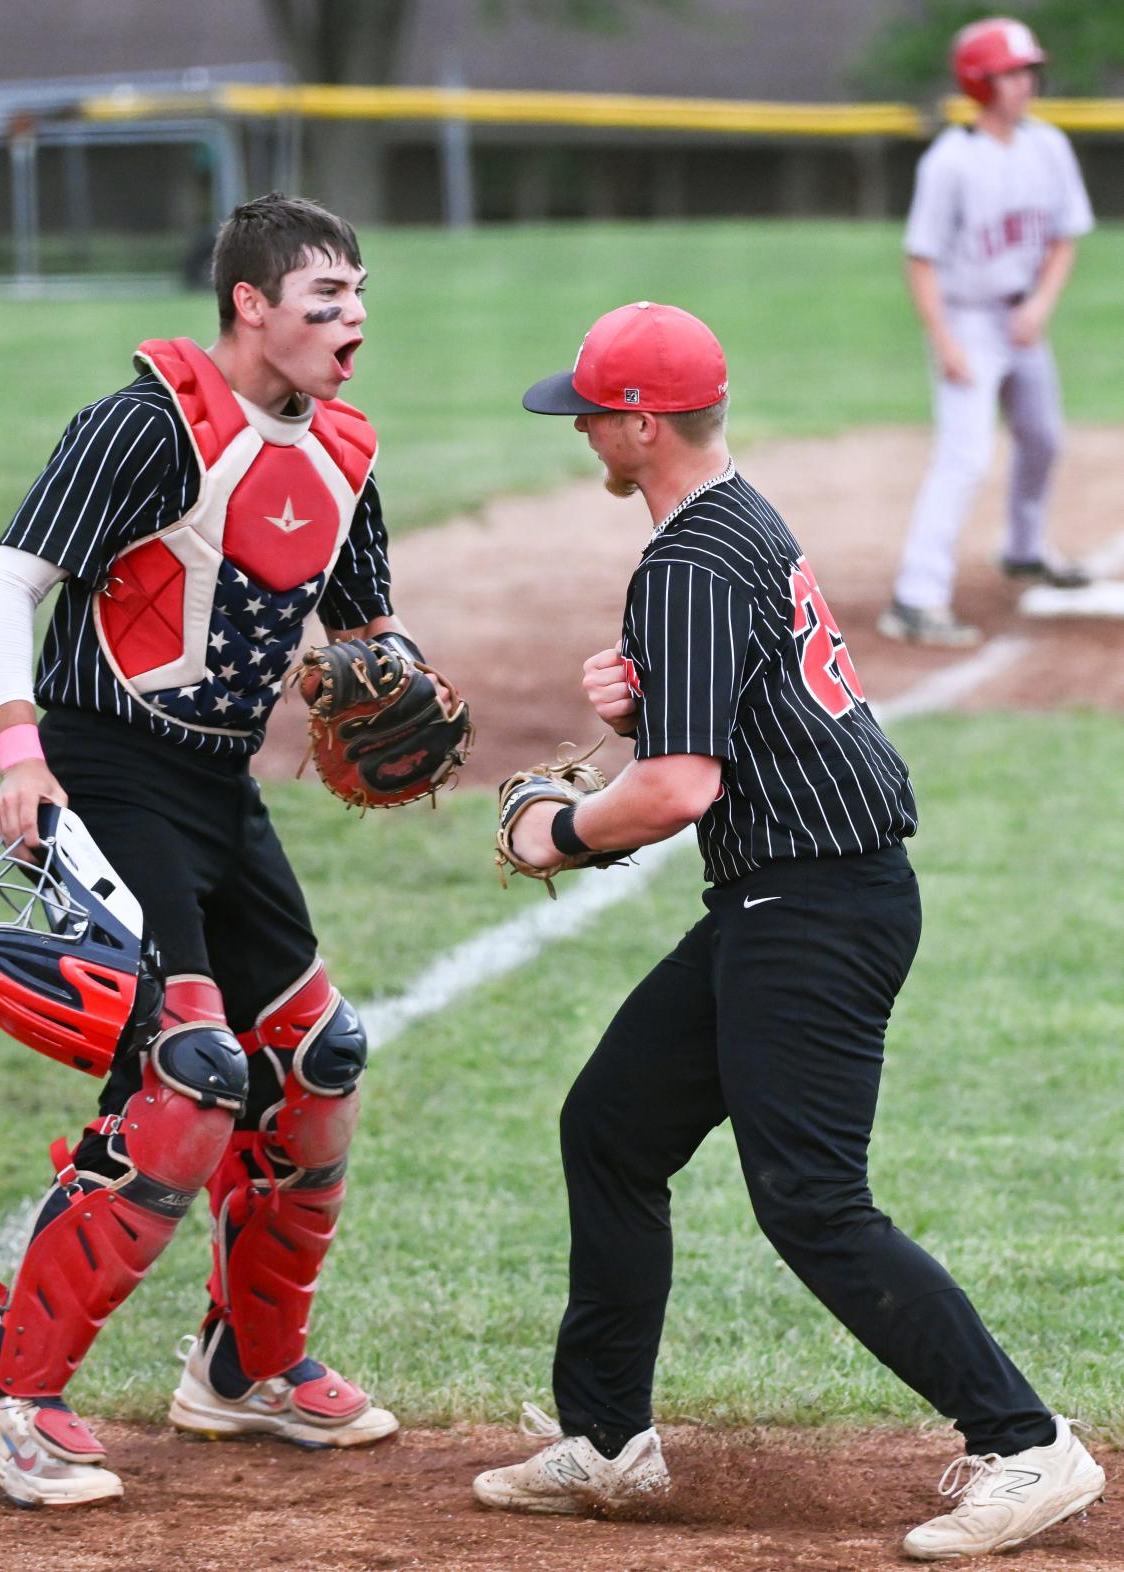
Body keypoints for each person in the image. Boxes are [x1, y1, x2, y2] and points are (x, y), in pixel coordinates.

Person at [472, 301, 1105, 1559]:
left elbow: (676, 790)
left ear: (644, 424)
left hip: (814, 905)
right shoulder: (733, 519)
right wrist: (648, 683)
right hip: (789, 895)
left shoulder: (690, 559)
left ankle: (1026, 1444)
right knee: (610, 1127)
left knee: (811, 1200)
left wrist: (557, 829)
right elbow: (729, 701)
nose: (583, 427)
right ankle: (607, 1440)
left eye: (595, 410)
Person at [0, 193, 444, 1506]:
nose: (354, 321)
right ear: (249, 307)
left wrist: (386, 684)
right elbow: (8, 583)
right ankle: (6, 1395)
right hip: (106, 773)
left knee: (319, 1058)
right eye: (326, 297)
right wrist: (20, 751)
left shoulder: (342, 452)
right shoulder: (148, 425)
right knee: (190, 1072)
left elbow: (359, 633)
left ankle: (243, 1369)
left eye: (361, 293)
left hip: (219, 792)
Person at [879, 16, 1095, 647]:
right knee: (965, 456)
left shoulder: (1047, 146)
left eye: (1029, 70)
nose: (1026, 81)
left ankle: (1026, 550)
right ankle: (915, 598)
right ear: (979, 80)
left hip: (1023, 318)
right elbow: (921, 259)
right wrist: (946, 343)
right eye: (1011, 71)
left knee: (1043, 438)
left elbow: (1063, 241)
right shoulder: (950, 162)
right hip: (967, 320)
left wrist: (1040, 308)